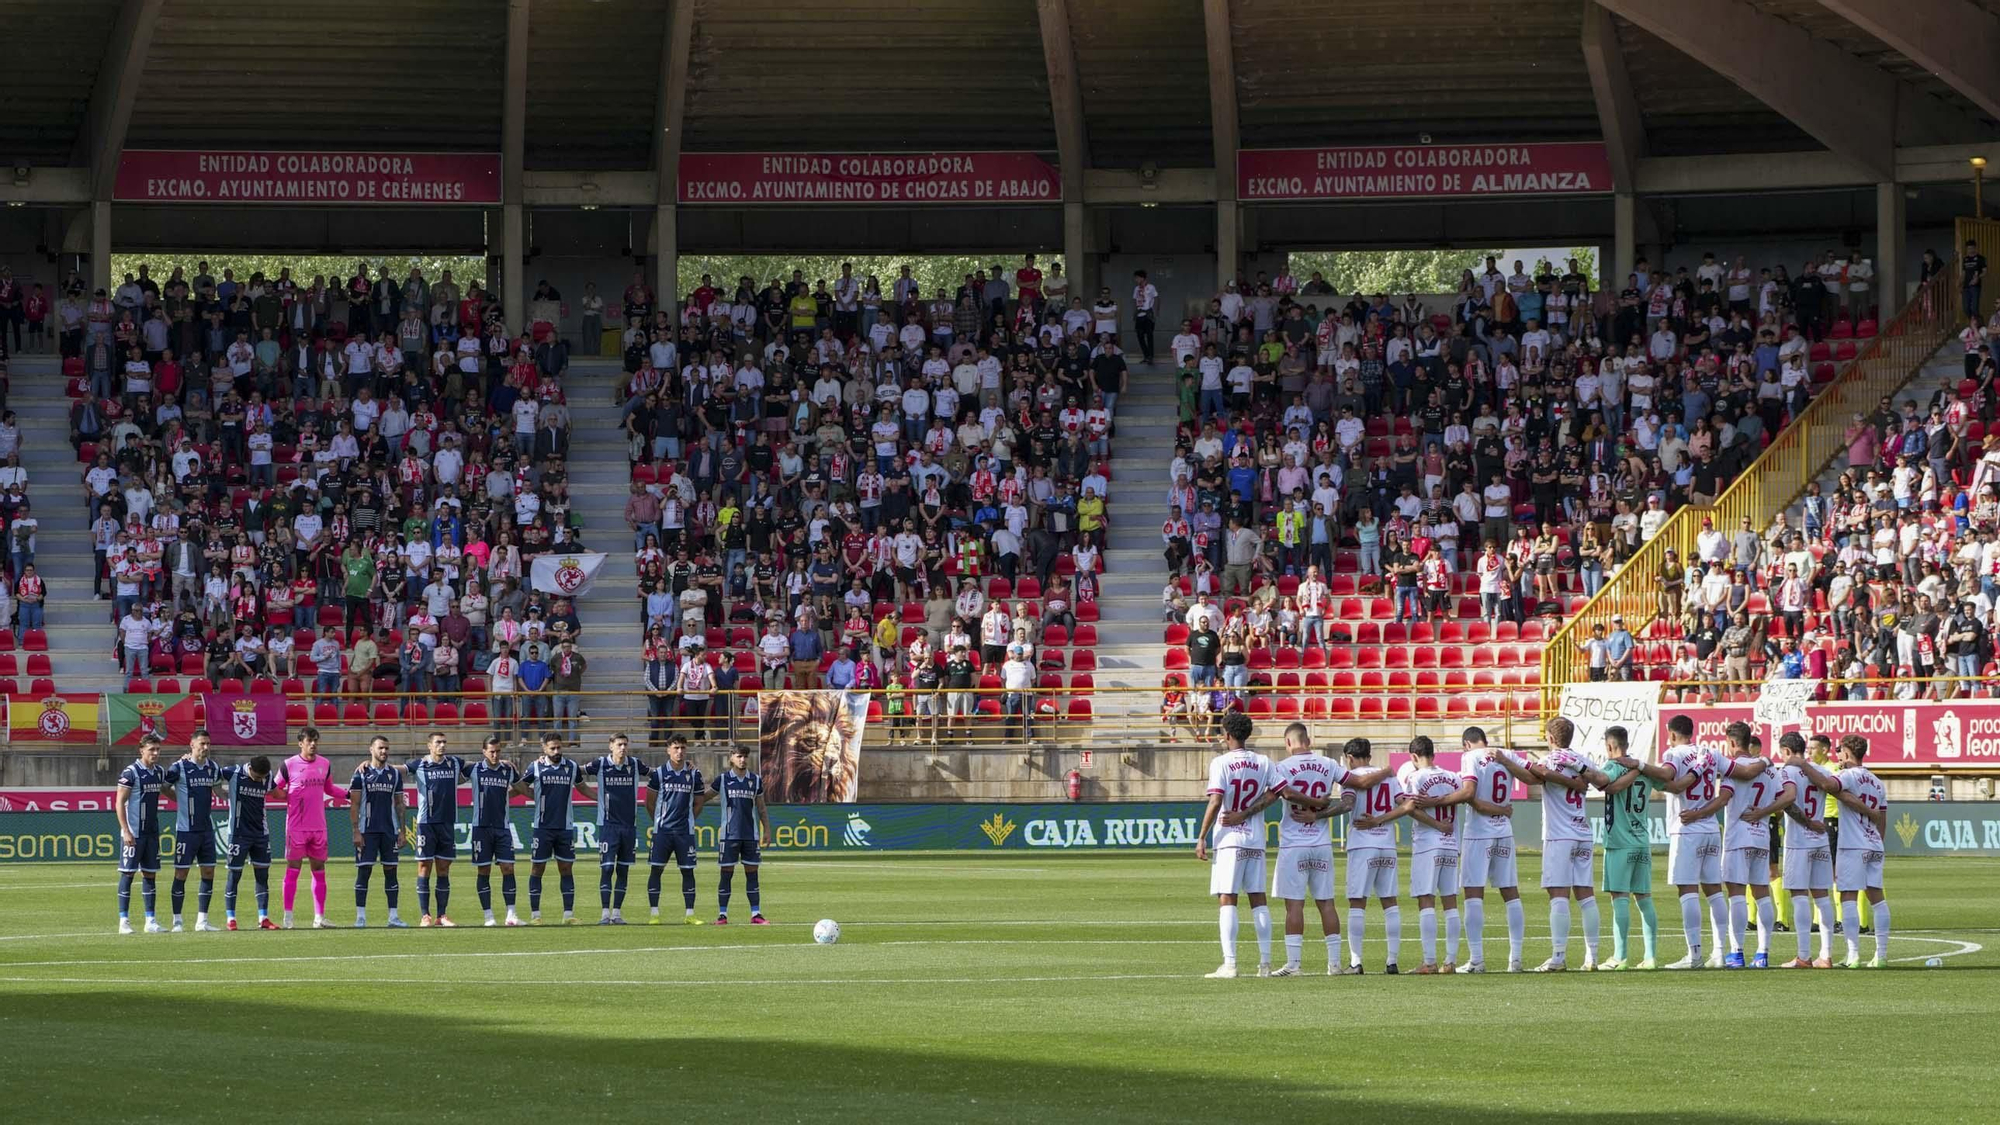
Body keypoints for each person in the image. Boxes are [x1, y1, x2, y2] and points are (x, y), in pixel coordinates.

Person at [1251, 722, 1371, 975]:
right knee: (1327, 904)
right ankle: (1335, 964)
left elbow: (1277, 795)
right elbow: (1356, 781)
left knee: (1294, 905)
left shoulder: (1282, 767)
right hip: (1322, 843)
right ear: (1308, 740)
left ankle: (1294, 964)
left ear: (1288, 742)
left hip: (1294, 844)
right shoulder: (1328, 763)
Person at [1523, 717, 1619, 972]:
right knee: (1585, 895)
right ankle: (1593, 957)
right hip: (1582, 833)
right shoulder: (1583, 760)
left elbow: (1532, 776)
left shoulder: (1549, 760)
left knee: (1558, 895)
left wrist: (1507, 758)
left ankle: (1558, 956)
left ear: (1551, 739)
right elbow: (1601, 780)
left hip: (1559, 835)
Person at [1194, 710, 1283, 978]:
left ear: (1227, 734)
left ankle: (1230, 963)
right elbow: (1274, 795)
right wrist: (1248, 814)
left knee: (1227, 898)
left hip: (1230, 841)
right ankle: (1265, 964)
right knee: (1258, 899)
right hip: (1255, 839)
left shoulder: (1220, 763)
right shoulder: (1264, 762)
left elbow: (1216, 800)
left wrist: (1202, 836)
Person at [1698, 723, 1788, 968]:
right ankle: (1763, 953)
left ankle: (1736, 953)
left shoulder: (1733, 769)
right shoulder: (1771, 771)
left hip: (1738, 837)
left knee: (1737, 895)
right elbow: (1782, 801)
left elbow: (1724, 798)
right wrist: (1765, 813)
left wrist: (1700, 812)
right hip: (1761, 837)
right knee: (1762, 894)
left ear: (1731, 742)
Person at [1797, 734, 1891, 968]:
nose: (1837, 755)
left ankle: (1854, 955)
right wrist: (1877, 842)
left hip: (1852, 843)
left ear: (1847, 753)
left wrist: (1804, 765)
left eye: (1840, 751)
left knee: (1847, 896)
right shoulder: (1877, 782)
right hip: (1874, 843)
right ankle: (1881, 955)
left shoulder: (1847, 776)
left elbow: (1828, 785)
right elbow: (1882, 819)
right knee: (1877, 899)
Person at [1452, 725, 1536, 973]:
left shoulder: (1470, 757)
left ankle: (1477, 960)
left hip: (1479, 833)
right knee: (1511, 892)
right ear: (1485, 740)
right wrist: (1503, 808)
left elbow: (1469, 794)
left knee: (1473, 894)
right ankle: (1516, 959)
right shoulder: (1506, 754)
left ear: (1466, 743)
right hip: (1504, 832)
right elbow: (1533, 779)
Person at [1340, 737, 1413, 973]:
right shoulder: (1390, 778)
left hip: (1362, 845)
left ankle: (1356, 961)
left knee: (1357, 903)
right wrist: (1382, 819)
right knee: (1389, 902)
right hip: (1387, 844)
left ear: (1349, 758)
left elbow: (1348, 805)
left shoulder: (1351, 779)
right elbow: (1406, 805)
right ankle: (1392, 961)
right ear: (1369, 756)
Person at [1398, 736, 1465, 974]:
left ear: (1414, 757)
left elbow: (1410, 809)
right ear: (1433, 754)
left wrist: (1437, 825)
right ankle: (1451, 961)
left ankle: (1429, 961)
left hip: (1428, 844)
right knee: (1450, 902)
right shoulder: (1453, 777)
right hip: (1451, 843)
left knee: (1426, 899)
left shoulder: (1415, 777)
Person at [1594, 725, 1659, 970]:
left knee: (1619, 896)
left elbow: (1602, 784)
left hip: (1620, 842)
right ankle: (1650, 957)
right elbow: (1668, 782)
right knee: (1644, 897)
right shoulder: (1643, 769)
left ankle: (1620, 956)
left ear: (1610, 746)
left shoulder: (1612, 767)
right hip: (1642, 840)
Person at [271, 727, 348, 929]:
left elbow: (329, 789)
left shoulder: (325, 764)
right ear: (300, 743)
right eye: (309, 741)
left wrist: (349, 794)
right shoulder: (288, 765)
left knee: (319, 869)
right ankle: (288, 917)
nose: (313, 744)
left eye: (315, 740)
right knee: (293, 870)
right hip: (296, 827)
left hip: (318, 827)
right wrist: (290, 797)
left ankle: (319, 917)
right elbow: (275, 789)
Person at [1774, 731, 1837, 968]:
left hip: (1799, 841)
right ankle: (1827, 955)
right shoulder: (1821, 771)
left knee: (1799, 896)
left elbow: (1788, 802)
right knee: (1822, 897)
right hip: (1820, 839)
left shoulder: (1787, 772)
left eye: (1782, 752)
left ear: (1788, 751)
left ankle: (1803, 956)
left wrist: (1807, 822)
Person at [525, 735, 592, 924]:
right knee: (537, 868)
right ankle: (535, 916)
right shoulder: (535, 767)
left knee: (566, 868)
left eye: (559, 748)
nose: (556, 752)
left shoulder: (571, 767)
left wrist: (603, 798)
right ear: (544, 749)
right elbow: (521, 785)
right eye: (552, 748)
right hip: (542, 827)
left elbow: (583, 788)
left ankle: (568, 916)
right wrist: (533, 794)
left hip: (565, 827)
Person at [403, 731, 466, 927]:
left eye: (444, 742)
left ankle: (442, 915)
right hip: (425, 823)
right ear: (429, 745)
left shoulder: (454, 763)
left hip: (447, 823)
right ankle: (425, 915)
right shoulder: (419, 764)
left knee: (444, 869)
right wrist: (369, 764)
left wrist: (504, 763)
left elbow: (480, 765)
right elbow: (397, 769)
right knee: (424, 867)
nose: (442, 745)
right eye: (438, 742)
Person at [583, 733, 647, 924]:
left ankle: (617, 913)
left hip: (629, 826)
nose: (623, 748)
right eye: (619, 744)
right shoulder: (600, 764)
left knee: (623, 870)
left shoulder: (635, 764)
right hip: (608, 826)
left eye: (625, 744)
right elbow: (573, 771)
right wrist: (545, 760)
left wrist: (686, 766)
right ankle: (604, 913)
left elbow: (658, 773)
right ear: (610, 746)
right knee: (607, 868)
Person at [162, 731, 223, 933]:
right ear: (192, 745)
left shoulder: (213, 768)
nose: (205, 747)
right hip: (186, 831)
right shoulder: (179, 767)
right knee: (181, 873)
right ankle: (177, 921)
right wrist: (179, 799)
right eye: (202, 743)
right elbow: (164, 786)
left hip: (206, 830)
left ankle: (202, 921)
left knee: (208, 872)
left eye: (208, 743)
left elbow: (219, 791)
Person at [645, 735, 708, 925]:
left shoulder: (694, 774)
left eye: (682, 748)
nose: (679, 752)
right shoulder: (659, 773)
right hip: (662, 832)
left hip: (684, 833)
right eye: (675, 748)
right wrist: (659, 822)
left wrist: (688, 820)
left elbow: (699, 802)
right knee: (656, 870)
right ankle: (654, 914)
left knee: (688, 872)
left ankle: (690, 914)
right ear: (668, 750)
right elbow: (649, 802)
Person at [347, 735, 408, 929]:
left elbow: (399, 804)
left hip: (389, 831)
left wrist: (402, 830)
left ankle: (393, 916)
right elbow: (354, 805)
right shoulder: (360, 775)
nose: (384, 752)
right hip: (367, 831)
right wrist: (356, 831)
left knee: (391, 872)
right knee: (364, 872)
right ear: (371, 749)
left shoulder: (394, 775)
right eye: (380, 748)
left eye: (386, 748)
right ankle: (360, 917)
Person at [465, 736, 526, 927]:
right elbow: (453, 772)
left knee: (508, 868)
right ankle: (488, 916)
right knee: (484, 870)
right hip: (480, 828)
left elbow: (522, 787)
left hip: (503, 827)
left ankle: (511, 915)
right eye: (491, 751)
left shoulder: (507, 769)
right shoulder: (474, 769)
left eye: (498, 751)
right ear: (483, 751)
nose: (495, 754)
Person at [709, 745, 771, 925]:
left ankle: (756, 914)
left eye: (745, 756)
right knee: (726, 874)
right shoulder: (722, 780)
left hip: (750, 836)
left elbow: (761, 808)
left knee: (752, 874)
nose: (742, 760)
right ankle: (722, 915)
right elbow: (703, 797)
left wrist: (767, 830)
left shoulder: (755, 780)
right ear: (731, 758)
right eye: (739, 756)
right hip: (729, 836)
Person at [114, 737, 168, 934]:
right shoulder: (131, 772)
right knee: (127, 874)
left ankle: (150, 921)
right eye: (152, 749)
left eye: (158, 749)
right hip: (134, 834)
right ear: (141, 751)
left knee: (150, 874)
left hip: (152, 833)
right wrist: (126, 830)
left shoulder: (159, 772)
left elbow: (167, 790)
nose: (155, 753)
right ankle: (124, 922)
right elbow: (119, 802)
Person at [218, 754, 275, 930]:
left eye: (263, 778)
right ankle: (231, 919)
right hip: (238, 834)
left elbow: (277, 791)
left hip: (260, 833)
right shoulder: (233, 773)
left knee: (262, 876)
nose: (260, 780)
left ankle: (263, 917)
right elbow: (210, 775)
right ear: (250, 768)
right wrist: (220, 793)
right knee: (234, 875)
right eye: (257, 777)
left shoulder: (268, 776)